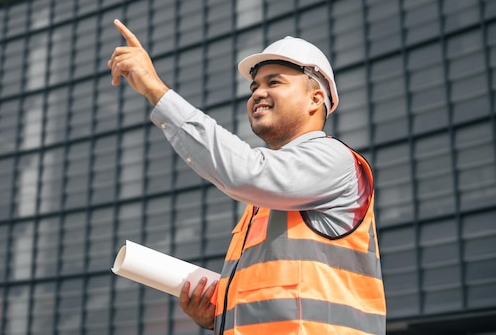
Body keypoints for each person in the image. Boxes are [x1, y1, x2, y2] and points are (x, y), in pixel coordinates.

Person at [108, 19, 386, 334]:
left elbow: (245, 173)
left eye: (274, 82)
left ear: (315, 99)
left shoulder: (334, 160)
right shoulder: (267, 203)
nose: (258, 93)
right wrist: (221, 313)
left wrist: (156, 90)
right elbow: (281, 297)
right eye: (254, 87)